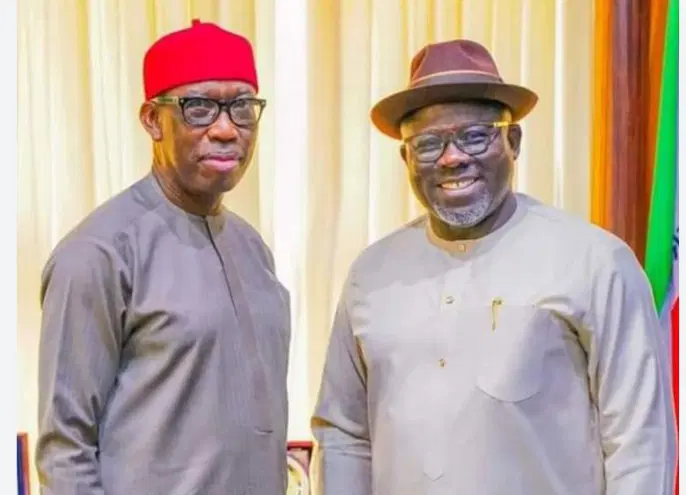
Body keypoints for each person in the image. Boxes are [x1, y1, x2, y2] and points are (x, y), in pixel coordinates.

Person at [311, 39, 677, 494]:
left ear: (513, 141)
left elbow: (639, 441)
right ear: (406, 159)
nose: (452, 158)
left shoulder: (595, 262)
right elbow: (344, 435)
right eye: (428, 144)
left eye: (475, 136)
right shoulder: (371, 275)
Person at [36, 19, 290, 495]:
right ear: (153, 120)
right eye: (199, 108)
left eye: (242, 107)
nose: (225, 129)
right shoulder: (99, 253)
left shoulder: (253, 249)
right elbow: (65, 450)